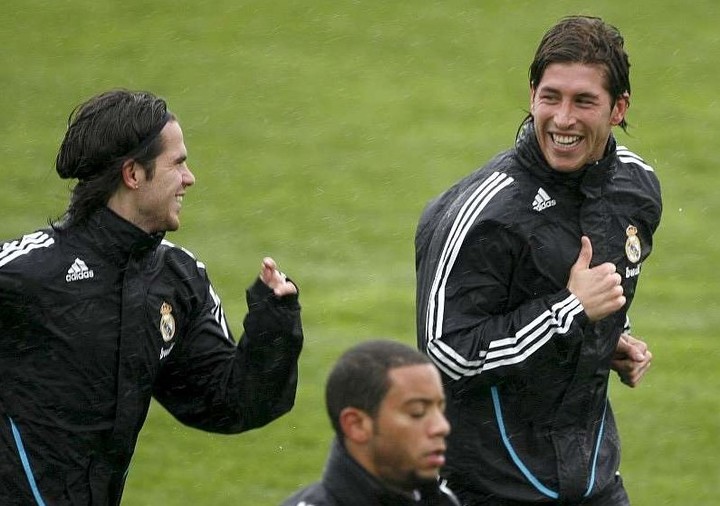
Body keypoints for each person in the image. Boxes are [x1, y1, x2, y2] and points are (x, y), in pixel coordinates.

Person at [0, 89, 304, 505]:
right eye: (177, 163)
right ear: (133, 174)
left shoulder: (175, 280)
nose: (190, 177)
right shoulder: (26, 273)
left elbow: (228, 402)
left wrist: (274, 322)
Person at [415, 16, 662, 505]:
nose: (563, 119)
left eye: (584, 101)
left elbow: (606, 294)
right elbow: (446, 354)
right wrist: (569, 313)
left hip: (592, 479)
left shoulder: (635, 188)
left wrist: (610, 337)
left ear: (619, 108)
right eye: (551, 97)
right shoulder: (484, 214)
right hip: (488, 487)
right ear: (532, 95)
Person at [282, 339, 460, 506]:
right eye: (417, 413)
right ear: (356, 425)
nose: (442, 427)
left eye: (440, 408)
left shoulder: (442, 500)